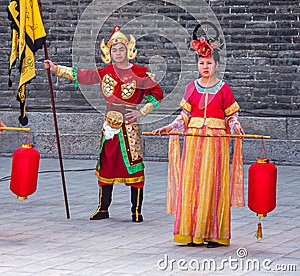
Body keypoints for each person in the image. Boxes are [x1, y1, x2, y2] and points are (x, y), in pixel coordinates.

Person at [44, 26, 163, 222]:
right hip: (109, 126)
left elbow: (157, 94)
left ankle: (136, 211)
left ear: (128, 50)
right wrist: (56, 69)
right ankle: (103, 208)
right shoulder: (106, 71)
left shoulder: (140, 73)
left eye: (121, 49)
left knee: (134, 166)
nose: (118, 53)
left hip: (129, 126)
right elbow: (84, 75)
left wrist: (140, 112)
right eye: (114, 50)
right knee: (106, 164)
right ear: (109, 53)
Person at [154, 25, 244, 247]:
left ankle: (213, 233)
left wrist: (235, 126)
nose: (205, 67)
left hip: (216, 142)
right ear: (197, 65)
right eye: (202, 63)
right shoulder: (191, 88)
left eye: (209, 63)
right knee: (192, 184)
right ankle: (192, 233)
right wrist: (169, 126)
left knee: (213, 184)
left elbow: (231, 116)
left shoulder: (224, 89)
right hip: (194, 140)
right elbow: (184, 116)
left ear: (216, 65)